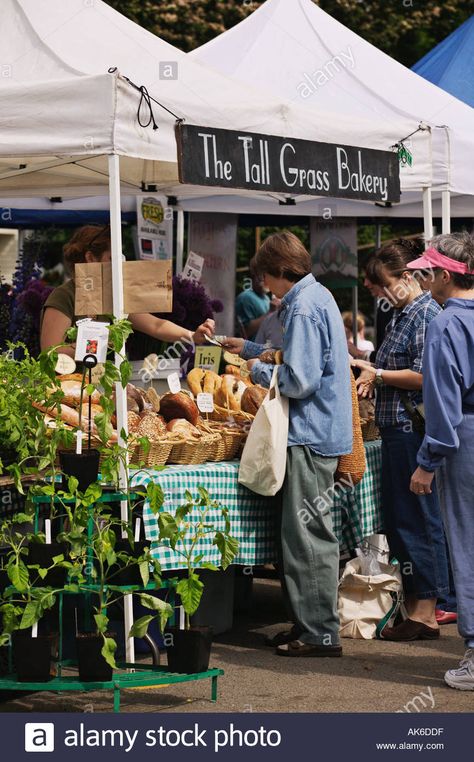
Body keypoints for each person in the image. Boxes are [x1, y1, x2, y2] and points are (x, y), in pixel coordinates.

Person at [224, 231, 352, 657]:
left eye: (266, 279)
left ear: (280, 272)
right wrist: (254, 349)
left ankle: (319, 633)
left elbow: (299, 379)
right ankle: (309, 626)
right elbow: (297, 361)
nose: (266, 288)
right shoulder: (317, 297)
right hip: (318, 432)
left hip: (310, 434)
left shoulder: (303, 307)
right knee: (305, 534)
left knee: (307, 537)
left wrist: (254, 371)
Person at [352, 238, 451, 641]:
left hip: (413, 431)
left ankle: (427, 610)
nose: (375, 290)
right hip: (396, 429)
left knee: (417, 517)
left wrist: (377, 375)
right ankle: (418, 604)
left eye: (379, 282)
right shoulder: (403, 314)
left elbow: (426, 378)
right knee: (403, 517)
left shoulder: (425, 313)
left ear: (406, 277)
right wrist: (369, 370)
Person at [407, 233, 474, 688]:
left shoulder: (446, 325)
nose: (424, 280)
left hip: (465, 443)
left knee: (467, 547)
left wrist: (426, 461)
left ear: (445, 276)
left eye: (427, 273)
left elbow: (444, 408)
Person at [40, 225, 214, 355]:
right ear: (91, 258)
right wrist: (98, 344)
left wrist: (192, 335)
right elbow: (50, 351)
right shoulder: (64, 296)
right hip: (70, 389)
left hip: (103, 391)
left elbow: (155, 325)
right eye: (112, 257)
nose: (120, 263)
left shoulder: (113, 294)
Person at [235, 257, 271, 340]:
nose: (266, 281)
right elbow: (245, 331)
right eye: (261, 278)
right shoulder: (245, 297)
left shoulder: (266, 298)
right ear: (254, 278)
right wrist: (270, 313)